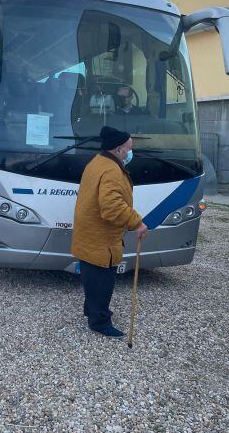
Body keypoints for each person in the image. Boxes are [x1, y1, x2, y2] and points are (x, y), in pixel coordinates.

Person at [71, 126, 149, 338]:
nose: (131, 152)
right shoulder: (112, 170)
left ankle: (91, 310)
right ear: (118, 150)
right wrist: (137, 223)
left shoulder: (97, 162)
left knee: (91, 276)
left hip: (90, 234)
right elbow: (112, 207)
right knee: (103, 281)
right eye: (129, 148)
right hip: (101, 239)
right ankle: (100, 321)